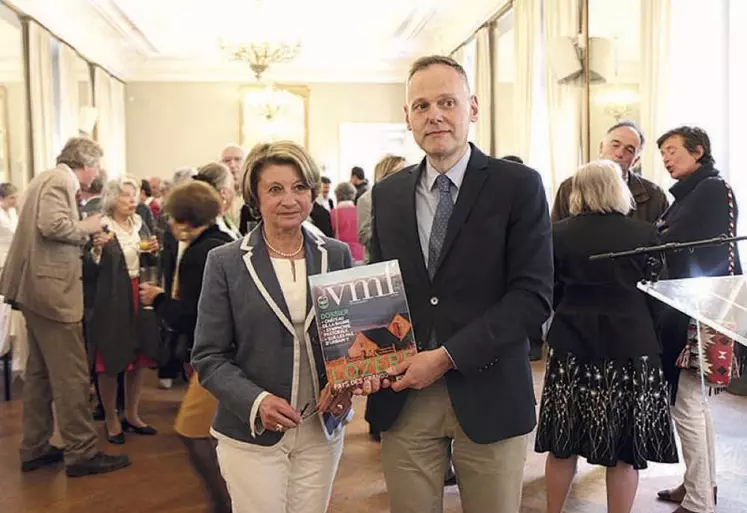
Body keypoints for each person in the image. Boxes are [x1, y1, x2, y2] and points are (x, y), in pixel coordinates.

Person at [365, 55, 553, 513]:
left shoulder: (518, 186)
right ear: (407, 118)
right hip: (405, 396)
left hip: (489, 391)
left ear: (471, 107)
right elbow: (378, 291)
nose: (435, 115)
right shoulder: (387, 195)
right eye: (421, 105)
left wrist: (447, 357)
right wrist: (360, 358)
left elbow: (533, 298)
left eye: (446, 102)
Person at [191, 140, 355, 513]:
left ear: (313, 192)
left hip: (321, 429)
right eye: (275, 189)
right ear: (255, 197)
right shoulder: (226, 262)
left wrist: (347, 385)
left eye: (300, 187)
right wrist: (258, 401)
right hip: (253, 432)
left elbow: (349, 341)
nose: (289, 199)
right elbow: (209, 356)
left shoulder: (337, 254)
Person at [535, 160, 678, 513]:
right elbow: (661, 297)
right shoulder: (644, 234)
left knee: (562, 442)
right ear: (619, 189)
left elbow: (547, 291)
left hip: (572, 341)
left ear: (576, 192)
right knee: (625, 451)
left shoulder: (556, 234)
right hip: (632, 343)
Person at [0, 137, 130, 477]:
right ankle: (81, 452)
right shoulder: (60, 180)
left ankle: (35, 447)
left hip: (37, 291)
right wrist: (88, 227)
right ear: (85, 163)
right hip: (52, 293)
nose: (98, 172)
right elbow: (52, 226)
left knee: (41, 376)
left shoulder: (45, 178)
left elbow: (50, 233)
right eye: (97, 165)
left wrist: (86, 236)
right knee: (72, 375)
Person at [655, 126, 739, 513]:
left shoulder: (710, 189)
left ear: (698, 150)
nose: (667, 159)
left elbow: (673, 238)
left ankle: (701, 500)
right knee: (694, 405)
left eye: (673, 150)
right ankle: (701, 486)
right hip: (695, 306)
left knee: (686, 405)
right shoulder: (695, 192)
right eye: (664, 154)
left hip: (698, 311)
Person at [140, 180, 234, 513]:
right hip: (227, 354)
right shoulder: (221, 242)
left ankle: (225, 504)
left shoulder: (198, 254)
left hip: (217, 358)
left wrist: (159, 298)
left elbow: (194, 315)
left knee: (191, 431)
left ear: (185, 220)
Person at [85, 177, 160, 444]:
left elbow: (148, 259)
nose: (131, 200)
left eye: (134, 195)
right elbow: (88, 269)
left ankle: (132, 413)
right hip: (112, 296)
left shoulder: (139, 224)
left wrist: (153, 251)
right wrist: (96, 249)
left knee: (137, 356)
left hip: (138, 291)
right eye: (125, 195)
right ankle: (110, 417)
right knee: (111, 357)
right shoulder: (102, 226)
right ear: (112, 198)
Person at [551, 121, 669, 223]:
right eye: (615, 145)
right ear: (601, 148)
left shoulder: (654, 195)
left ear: (635, 161)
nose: (619, 153)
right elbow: (555, 235)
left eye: (629, 150)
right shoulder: (570, 187)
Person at [357, 154, 407, 261]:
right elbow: (363, 235)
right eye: (399, 172)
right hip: (380, 262)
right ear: (385, 174)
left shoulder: (409, 195)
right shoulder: (367, 199)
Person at [194, 162, 242, 240]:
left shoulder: (222, 219)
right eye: (232, 186)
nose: (234, 192)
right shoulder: (214, 231)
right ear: (224, 193)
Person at [330, 182, 364, 263]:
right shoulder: (360, 211)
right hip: (360, 253)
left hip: (342, 254)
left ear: (337, 195)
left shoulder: (333, 213)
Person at [0, 182, 20, 269]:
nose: (15, 200)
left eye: (16, 197)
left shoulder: (13, 212)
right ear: (1, 198)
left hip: (13, 255)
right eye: (11, 198)